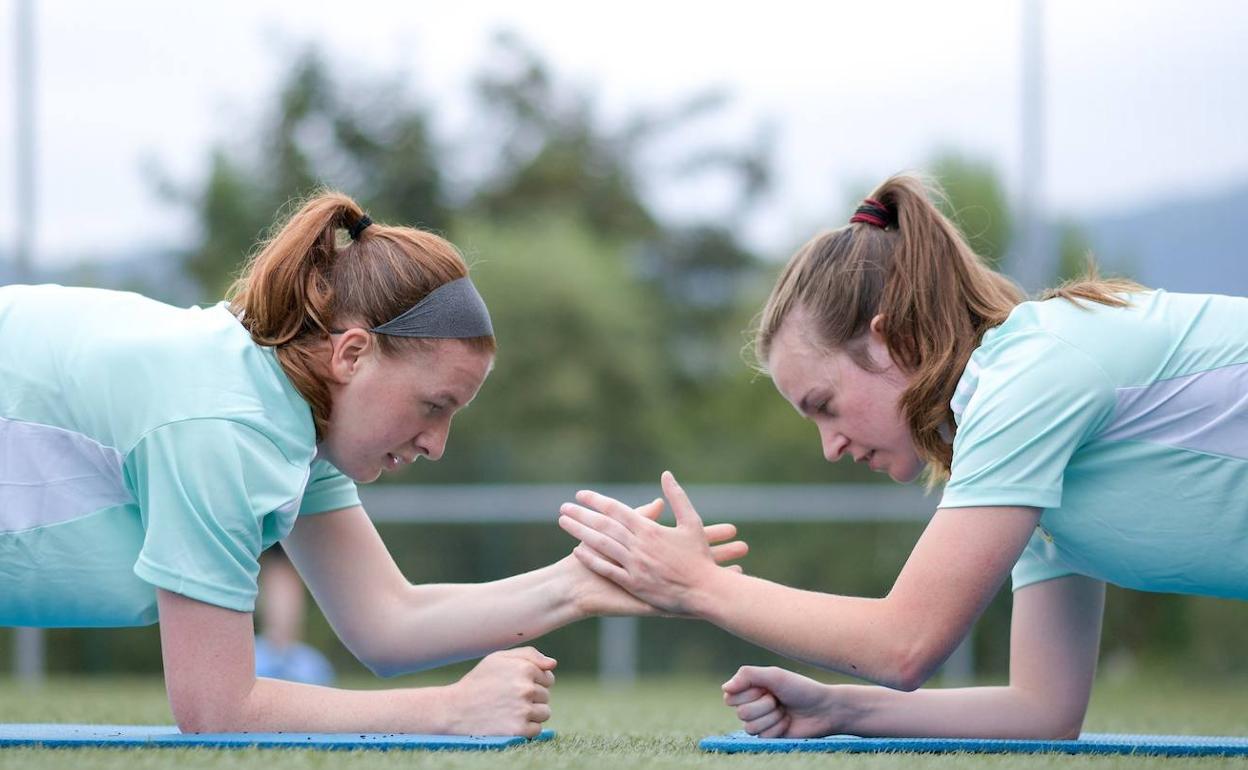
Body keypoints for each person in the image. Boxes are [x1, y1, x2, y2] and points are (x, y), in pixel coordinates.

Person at [0, 192, 747, 735]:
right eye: (433, 405)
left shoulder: (287, 407)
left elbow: (387, 621)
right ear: (352, 353)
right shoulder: (222, 423)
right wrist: (450, 711)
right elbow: (218, 710)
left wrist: (579, 583)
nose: (436, 443)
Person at [559, 173, 1248, 740]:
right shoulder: (1019, 452)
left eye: (823, 404)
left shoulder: (1031, 377)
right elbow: (1042, 711)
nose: (829, 447)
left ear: (890, 341)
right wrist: (844, 709)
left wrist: (699, 586)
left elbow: (906, 643)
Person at [254, 545, 335, 686]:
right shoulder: (246, 658)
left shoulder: (314, 665)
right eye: (276, 594)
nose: (284, 607)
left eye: (292, 595)